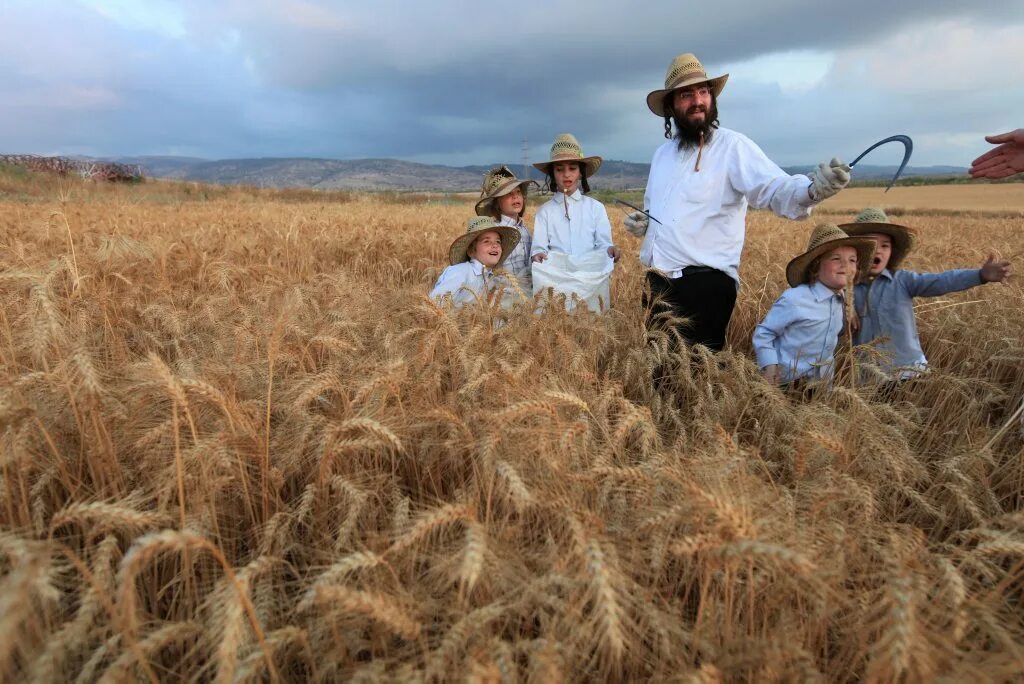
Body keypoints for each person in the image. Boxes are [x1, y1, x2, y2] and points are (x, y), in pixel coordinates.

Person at [624, 52, 853, 352]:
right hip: (658, 283)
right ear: (671, 106)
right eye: (686, 94)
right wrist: (647, 221)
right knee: (658, 376)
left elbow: (773, 187)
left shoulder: (734, 148)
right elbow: (659, 205)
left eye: (704, 91)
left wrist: (812, 191)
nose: (698, 100)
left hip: (706, 284)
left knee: (695, 377)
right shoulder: (661, 156)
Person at [841, 208, 1012, 379]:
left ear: (892, 252)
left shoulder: (903, 281)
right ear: (856, 251)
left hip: (911, 372)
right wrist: (846, 305)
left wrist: (979, 275)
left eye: (885, 245)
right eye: (871, 244)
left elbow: (942, 281)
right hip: (870, 378)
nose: (878, 251)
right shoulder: (844, 290)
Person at [753, 224, 874, 388]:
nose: (846, 265)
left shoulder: (841, 298)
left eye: (852, 260)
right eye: (836, 258)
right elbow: (764, 332)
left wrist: (850, 310)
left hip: (821, 387)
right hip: (787, 384)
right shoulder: (794, 299)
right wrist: (770, 367)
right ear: (816, 266)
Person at [530, 133, 620, 264]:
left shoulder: (595, 208)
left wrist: (610, 250)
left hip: (590, 276)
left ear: (580, 172)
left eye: (572, 168)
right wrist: (537, 255)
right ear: (552, 174)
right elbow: (539, 247)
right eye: (560, 169)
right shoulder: (544, 211)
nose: (566, 174)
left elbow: (604, 245)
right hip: (556, 278)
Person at [430, 216, 520, 307]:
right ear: (471, 251)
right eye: (486, 241)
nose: (494, 245)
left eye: (498, 241)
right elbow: (435, 305)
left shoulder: (492, 278)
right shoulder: (459, 272)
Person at [475, 165, 538, 295]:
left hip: (528, 294)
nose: (515, 197)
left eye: (518, 192)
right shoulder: (494, 231)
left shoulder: (524, 229)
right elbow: (486, 270)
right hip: (504, 296)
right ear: (497, 202)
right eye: (508, 194)